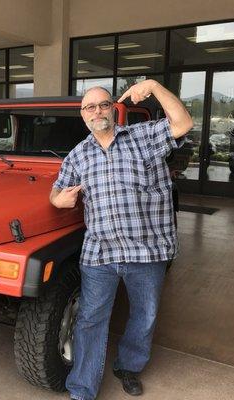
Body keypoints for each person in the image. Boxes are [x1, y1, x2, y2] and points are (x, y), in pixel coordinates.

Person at [49, 80, 192, 399]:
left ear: (114, 109)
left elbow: (183, 123)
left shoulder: (144, 137)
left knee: (145, 314)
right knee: (89, 320)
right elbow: (57, 191)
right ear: (82, 115)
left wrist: (154, 87)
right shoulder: (78, 155)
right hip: (100, 253)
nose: (97, 111)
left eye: (103, 105)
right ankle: (82, 389)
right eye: (90, 107)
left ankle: (128, 366)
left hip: (147, 250)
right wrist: (59, 200)